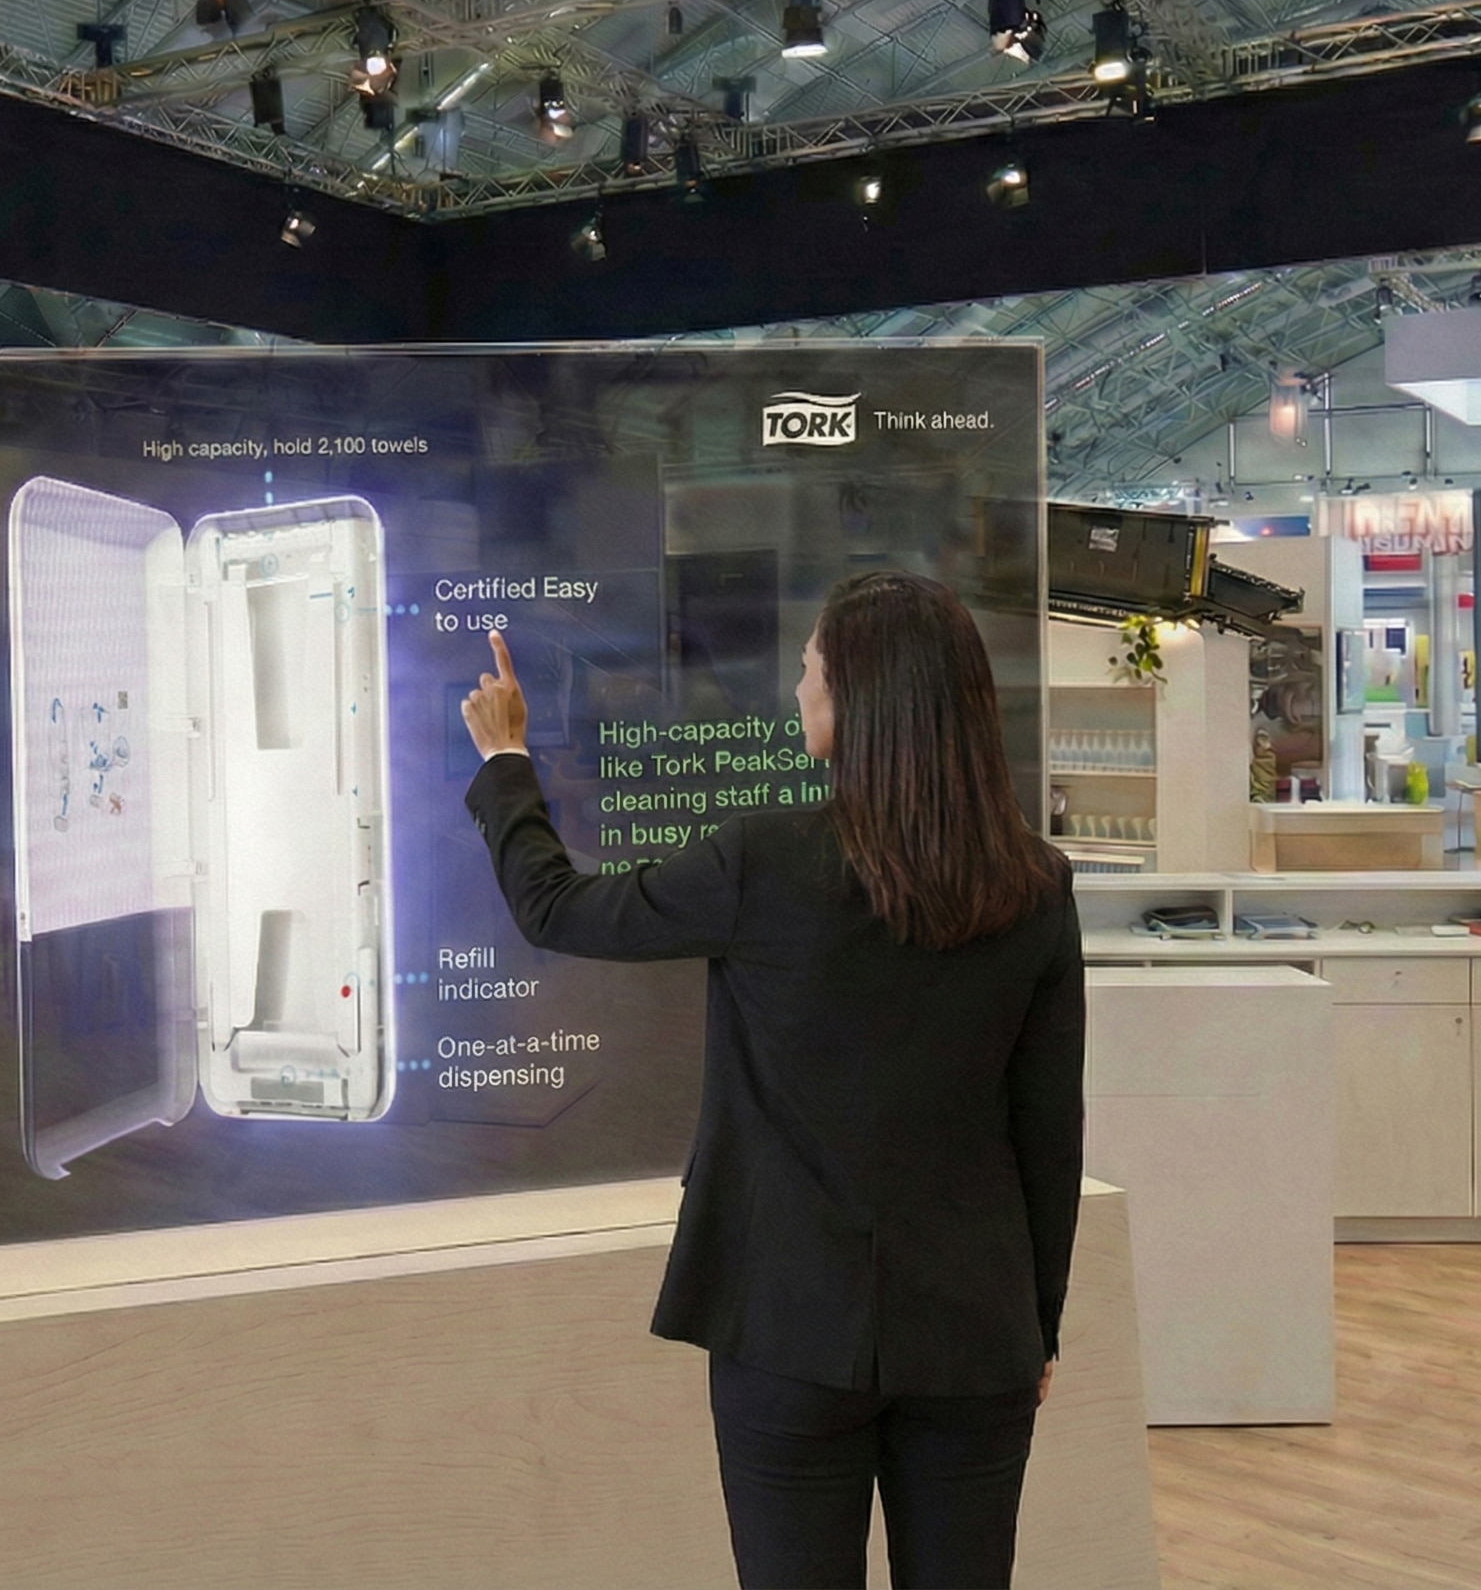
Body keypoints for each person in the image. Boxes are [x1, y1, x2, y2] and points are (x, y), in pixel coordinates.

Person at [460, 572, 1083, 1590]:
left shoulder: (766, 860)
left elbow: (558, 908)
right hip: (977, 1334)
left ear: (857, 699)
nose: (797, 689)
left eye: (810, 669)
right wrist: (1038, 1322)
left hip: (786, 1326)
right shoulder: (1036, 886)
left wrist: (506, 761)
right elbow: (1048, 1132)